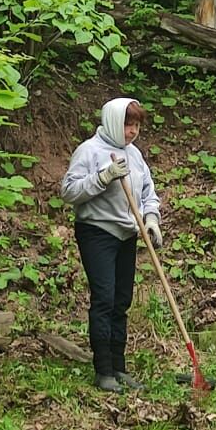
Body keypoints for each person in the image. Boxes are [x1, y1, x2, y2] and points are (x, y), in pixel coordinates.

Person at [61, 97, 163, 392]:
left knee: (121, 301)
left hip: (127, 234)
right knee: (104, 299)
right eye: (127, 125)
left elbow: (147, 192)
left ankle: (119, 367)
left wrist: (151, 218)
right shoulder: (89, 151)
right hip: (97, 232)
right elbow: (69, 191)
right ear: (112, 122)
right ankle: (103, 370)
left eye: (137, 126)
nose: (132, 132)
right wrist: (103, 177)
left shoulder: (134, 155)